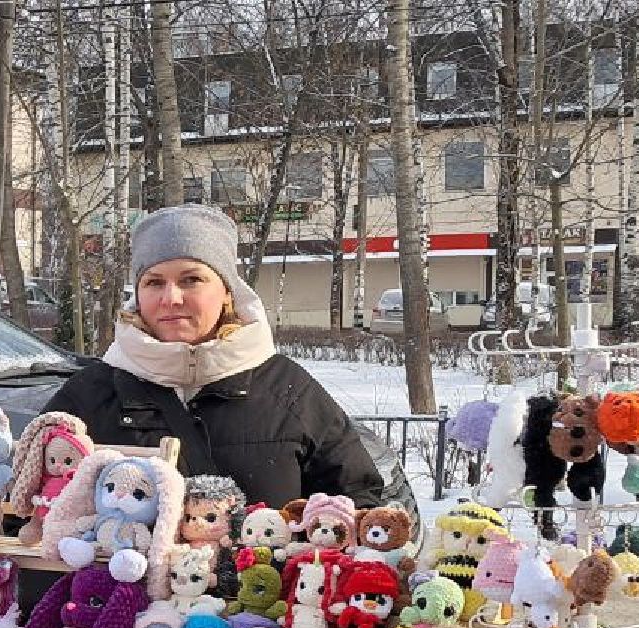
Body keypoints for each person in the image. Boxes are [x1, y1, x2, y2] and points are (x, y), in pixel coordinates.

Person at [44, 204, 387, 509]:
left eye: (191, 279)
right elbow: (30, 512)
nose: (171, 298)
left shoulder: (288, 391)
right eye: (154, 282)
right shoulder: (88, 395)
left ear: (227, 291)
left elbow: (356, 501)